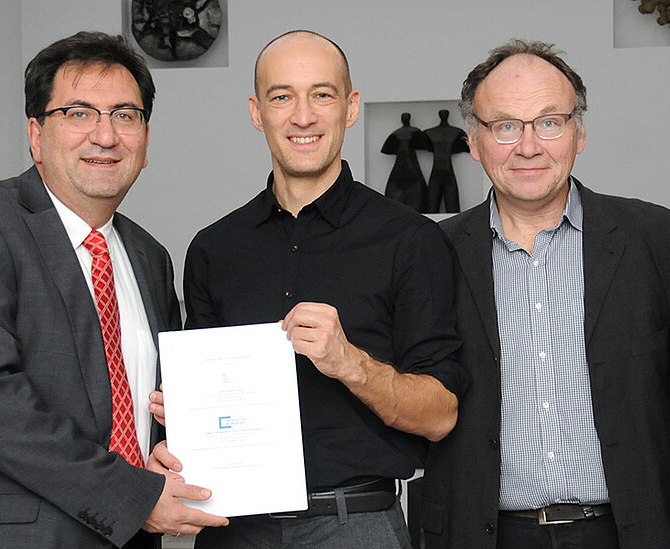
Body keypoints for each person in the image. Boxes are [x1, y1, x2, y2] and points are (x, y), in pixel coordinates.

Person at [0, 31, 228, 548]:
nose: (105, 135)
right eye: (78, 113)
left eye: (125, 115)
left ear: (145, 141)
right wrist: (132, 495)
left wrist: (167, 445)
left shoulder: (150, 258)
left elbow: (145, 405)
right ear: (36, 134)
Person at [147, 30, 467, 548]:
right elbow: (196, 402)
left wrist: (350, 363)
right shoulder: (214, 248)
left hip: (355, 525)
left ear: (351, 107)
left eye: (322, 94)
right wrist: (183, 416)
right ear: (257, 113)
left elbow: (441, 416)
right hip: (234, 529)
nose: (303, 116)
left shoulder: (410, 240)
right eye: (282, 97)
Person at [420, 39, 670, 549]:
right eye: (505, 126)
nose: (529, 146)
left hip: (631, 533)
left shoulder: (664, 243)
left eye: (550, 122)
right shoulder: (431, 255)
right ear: (474, 140)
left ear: (579, 133)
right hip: (484, 535)